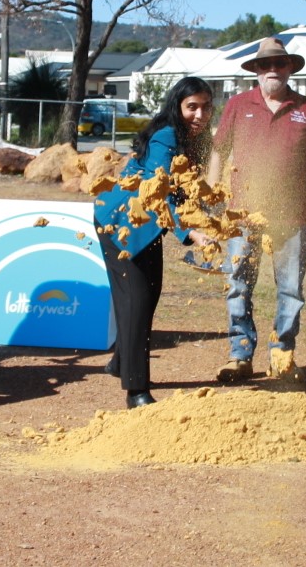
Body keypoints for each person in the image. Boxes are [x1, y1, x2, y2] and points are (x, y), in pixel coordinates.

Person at [207, 37, 306, 383]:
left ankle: (281, 353)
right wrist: (213, 198)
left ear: (290, 68)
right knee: (237, 285)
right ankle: (239, 355)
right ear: (257, 71)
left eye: (279, 64)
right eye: (265, 65)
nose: (272, 70)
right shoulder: (237, 105)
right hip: (241, 215)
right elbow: (218, 151)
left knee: (290, 288)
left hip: (290, 216)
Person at [94, 77, 218, 409]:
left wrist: (206, 217)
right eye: (192, 106)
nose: (200, 113)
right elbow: (156, 187)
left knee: (143, 296)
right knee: (137, 298)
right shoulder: (167, 135)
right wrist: (189, 232)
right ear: (177, 106)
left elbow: (185, 188)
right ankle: (137, 391)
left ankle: (120, 362)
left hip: (147, 225)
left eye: (206, 106)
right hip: (121, 221)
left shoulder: (198, 139)